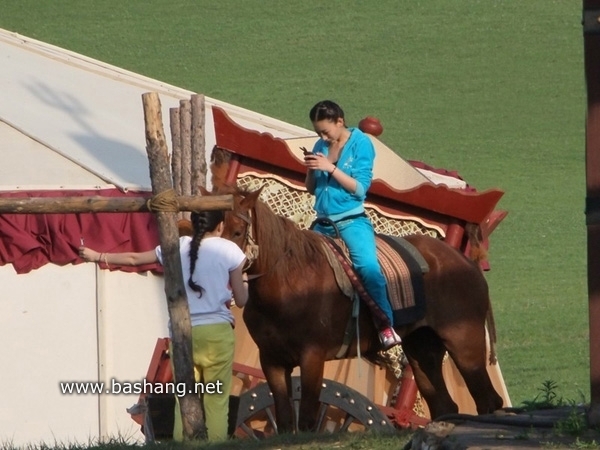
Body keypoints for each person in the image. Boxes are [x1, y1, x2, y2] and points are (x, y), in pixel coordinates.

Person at [79, 209, 248, 442]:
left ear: (194, 224)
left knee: (184, 400)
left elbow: (134, 259)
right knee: (216, 400)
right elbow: (241, 299)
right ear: (220, 226)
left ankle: (183, 445)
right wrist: (246, 285)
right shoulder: (230, 250)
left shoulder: (177, 245)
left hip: (182, 332)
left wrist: (97, 256)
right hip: (217, 333)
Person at [304, 100, 401, 350]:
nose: (322, 137)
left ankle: (385, 325)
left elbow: (359, 189)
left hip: (350, 221)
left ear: (339, 121)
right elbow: (312, 188)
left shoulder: (361, 144)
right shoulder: (320, 146)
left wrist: (329, 168)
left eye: (325, 131)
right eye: (318, 132)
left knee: (367, 267)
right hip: (322, 222)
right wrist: (311, 169)